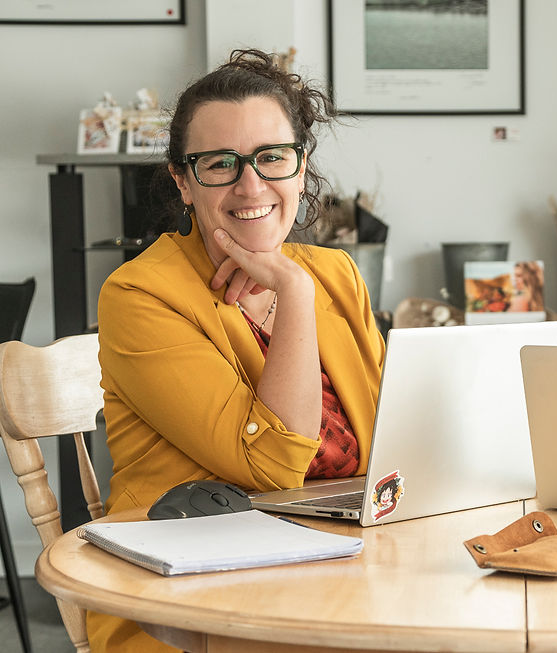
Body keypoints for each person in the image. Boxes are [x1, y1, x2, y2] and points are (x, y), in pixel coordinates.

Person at [93, 49, 385, 652]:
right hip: (188, 605)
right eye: (220, 163)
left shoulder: (337, 274)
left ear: (301, 167)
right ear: (183, 181)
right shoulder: (140, 295)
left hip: (341, 575)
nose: (251, 185)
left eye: (272, 157)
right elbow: (272, 466)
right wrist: (294, 294)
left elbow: (393, 450)